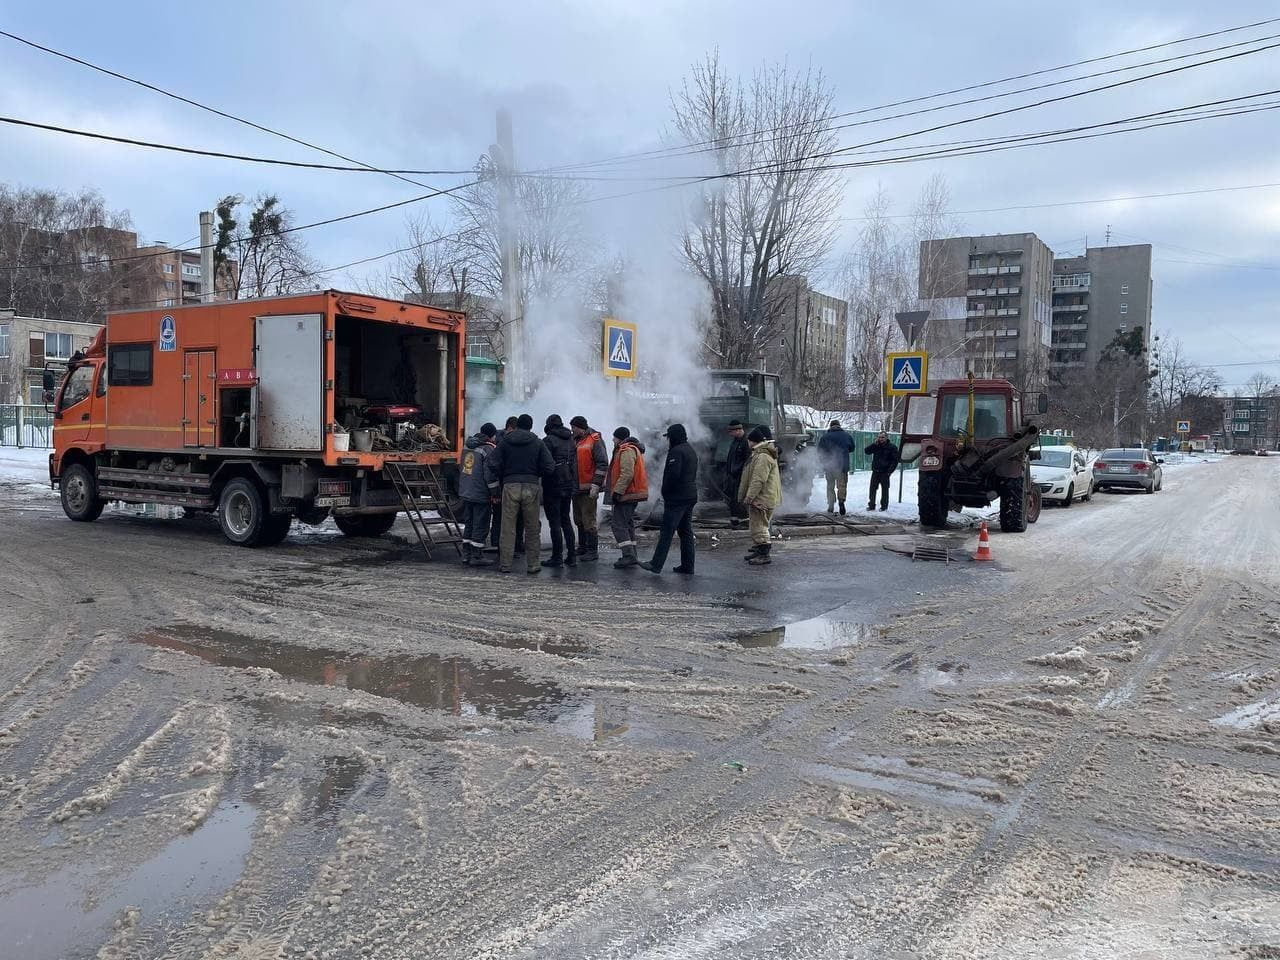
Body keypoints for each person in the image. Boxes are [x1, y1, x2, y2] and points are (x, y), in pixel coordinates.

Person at [486, 413, 554, 574]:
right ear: (530, 426)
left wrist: (504, 473)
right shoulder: (537, 443)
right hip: (531, 487)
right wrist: (536, 473)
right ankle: (533, 565)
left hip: (510, 486)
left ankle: (505, 565)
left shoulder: (505, 442)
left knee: (507, 527)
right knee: (531, 528)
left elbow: (492, 463)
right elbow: (550, 466)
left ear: (517, 426)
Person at [640, 423, 698, 575]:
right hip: (689, 495)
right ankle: (687, 566)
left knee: (667, 532)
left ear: (673, 436)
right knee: (685, 532)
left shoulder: (676, 451)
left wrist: (665, 492)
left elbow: (673, 476)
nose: (668, 440)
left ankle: (656, 564)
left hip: (677, 498)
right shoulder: (690, 449)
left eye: (669, 437)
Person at [606, 426, 649, 569]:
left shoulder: (626, 450)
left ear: (619, 438)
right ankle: (632, 554)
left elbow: (627, 473)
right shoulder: (632, 449)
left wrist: (617, 492)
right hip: (631, 493)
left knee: (618, 525)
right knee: (628, 524)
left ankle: (628, 556)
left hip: (627, 494)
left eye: (614, 437)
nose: (612, 439)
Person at [740, 425, 782, 566]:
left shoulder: (763, 456)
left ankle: (764, 554)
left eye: (749, 440)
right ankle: (759, 550)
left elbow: (758, 479)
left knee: (759, 526)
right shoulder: (762, 454)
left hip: (762, 497)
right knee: (758, 525)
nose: (747, 442)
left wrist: (750, 497)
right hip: (765, 496)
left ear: (753, 441)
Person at [458, 422, 498, 566]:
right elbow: (489, 475)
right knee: (481, 523)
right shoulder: (488, 449)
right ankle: (477, 555)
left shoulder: (467, 446)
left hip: (466, 491)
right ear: (491, 435)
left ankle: (466, 554)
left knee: (469, 522)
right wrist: (495, 492)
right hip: (481, 493)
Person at [541, 414, 578, 568]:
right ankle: (571, 556)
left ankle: (557, 557)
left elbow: (545, 464)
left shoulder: (548, 441)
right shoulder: (570, 439)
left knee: (554, 522)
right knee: (566, 520)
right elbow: (574, 463)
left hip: (553, 485)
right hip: (568, 483)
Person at [570, 415, 608, 562]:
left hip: (588, 489)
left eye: (573, 428)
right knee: (578, 519)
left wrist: (596, 484)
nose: (572, 430)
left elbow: (602, 463)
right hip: (576, 488)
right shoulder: (575, 440)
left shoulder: (595, 440)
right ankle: (583, 546)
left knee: (589, 520)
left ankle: (592, 550)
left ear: (581, 427)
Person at [489, 416, 522, 552]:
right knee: (506, 516)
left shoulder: (499, 440)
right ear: (510, 428)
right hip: (505, 484)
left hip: (505, 483)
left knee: (503, 516)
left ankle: (500, 543)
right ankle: (505, 545)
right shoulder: (503, 443)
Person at [816, 418, 856, 515]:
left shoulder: (825, 437)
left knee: (830, 486)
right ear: (839, 426)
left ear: (830, 426)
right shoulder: (847, 436)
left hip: (829, 466)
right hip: (842, 466)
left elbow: (820, 451)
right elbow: (852, 448)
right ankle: (841, 503)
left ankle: (831, 505)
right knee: (841, 486)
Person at [865, 430, 901, 512]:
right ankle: (871, 505)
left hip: (885, 472)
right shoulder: (876, 446)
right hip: (875, 471)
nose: (881, 439)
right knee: (872, 489)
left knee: (885, 490)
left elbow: (895, 460)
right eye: (880, 437)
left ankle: (884, 506)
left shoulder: (892, 447)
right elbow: (866, 451)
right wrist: (874, 444)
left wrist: (889, 471)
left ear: (886, 438)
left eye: (883, 437)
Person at [724, 420, 751, 526]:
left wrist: (739, 472)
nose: (730, 434)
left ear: (738, 430)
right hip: (732, 476)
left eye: (731, 431)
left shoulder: (746, 442)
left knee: (739, 500)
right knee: (733, 500)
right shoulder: (735, 441)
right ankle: (735, 521)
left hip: (740, 476)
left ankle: (744, 522)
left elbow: (747, 461)